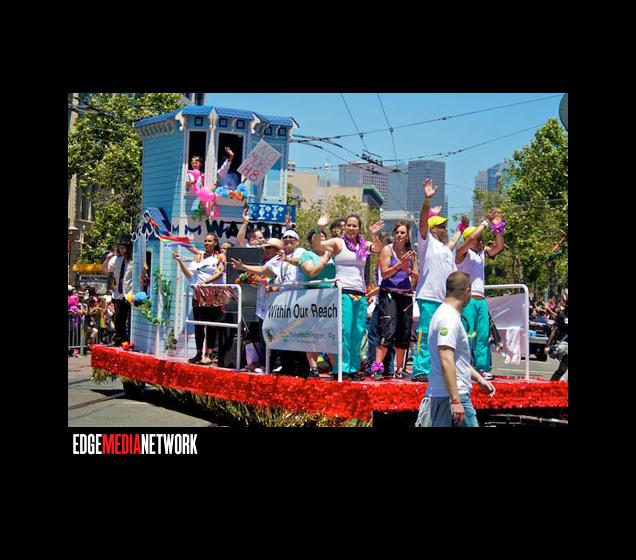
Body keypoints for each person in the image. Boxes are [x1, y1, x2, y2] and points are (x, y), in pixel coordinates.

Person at [415, 271, 496, 427]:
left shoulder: (443, 314)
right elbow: (446, 359)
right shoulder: (449, 319)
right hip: (451, 395)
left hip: (443, 393)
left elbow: (458, 359)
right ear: (467, 292)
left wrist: (479, 379)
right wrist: (456, 400)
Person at [320, 214, 384, 380]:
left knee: (358, 332)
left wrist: (374, 235)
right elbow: (319, 244)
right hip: (343, 291)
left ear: (359, 228)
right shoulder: (338, 242)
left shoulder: (363, 244)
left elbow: (378, 248)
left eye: (355, 226)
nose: (351, 228)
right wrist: (320, 228)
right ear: (344, 227)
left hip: (360, 293)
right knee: (345, 331)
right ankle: (341, 369)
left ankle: (353, 368)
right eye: (348, 225)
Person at [411, 178, 461, 382]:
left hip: (444, 301)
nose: (444, 229)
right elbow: (423, 221)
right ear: (432, 229)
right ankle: (420, 370)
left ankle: (437, 370)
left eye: (445, 226)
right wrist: (427, 200)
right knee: (425, 333)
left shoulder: (447, 250)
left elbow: (453, 274)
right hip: (428, 297)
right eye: (441, 226)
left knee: (442, 336)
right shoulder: (427, 243)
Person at [454, 209, 505, 381]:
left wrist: (498, 227)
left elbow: (499, 246)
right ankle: (464, 367)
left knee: (483, 336)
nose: (481, 241)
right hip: (466, 300)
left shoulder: (481, 254)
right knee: (467, 336)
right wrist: (485, 222)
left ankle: (481, 369)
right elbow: (469, 239)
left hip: (481, 300)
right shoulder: (461, 253)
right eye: (478, 238)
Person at [283, 227, 337, 378]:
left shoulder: (334, 254)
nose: (320, 239)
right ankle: (313, 368)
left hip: (331, 297)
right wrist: (325, 259)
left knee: (331, 333)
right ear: (310, 241)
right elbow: (311, 272)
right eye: (316, 237)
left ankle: (336, 369)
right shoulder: (307, 255)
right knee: (312, 333)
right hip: (312, 296)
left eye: (323, 236)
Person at [371, 222, 419, 381]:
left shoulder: (411, 253)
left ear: (407, 236)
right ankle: (377, 367)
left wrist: (408, 270)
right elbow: (384, 274)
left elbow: (416, 276)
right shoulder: (387, 249)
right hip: (389, 294)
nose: (399, 235)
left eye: (402, 232)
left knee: (404, 333)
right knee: (388, 331)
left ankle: (400, 369)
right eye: (397, 232)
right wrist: (399, 265)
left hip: (405, 295)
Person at [174, 233, 225, 364]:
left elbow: (219, 272)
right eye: (205, 241)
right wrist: (180, 261)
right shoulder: (198, 257)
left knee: (211, 326)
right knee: (198, 325)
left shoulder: (219, 256)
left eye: (209, 241)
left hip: (213, 294)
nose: (207, 243)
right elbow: (190, 276)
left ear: (215, 242)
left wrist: (206, 282)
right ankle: (198, 354)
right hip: (198, 294)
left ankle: (209, 355)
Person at [102, 234, 134, 347]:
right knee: (118, 318)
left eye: (123, 247)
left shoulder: (133, 260)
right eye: (119, 247)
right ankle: (119, 339)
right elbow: (105, 269)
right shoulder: (116, 259)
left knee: (130, 319)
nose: (121, 249)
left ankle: (129, 340)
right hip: (118, 294)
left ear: (128, 247)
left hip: (130, 293)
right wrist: (107, 259)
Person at [547, 302, 568, 380]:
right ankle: (552, 384)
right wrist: (548, 345)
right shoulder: (562, 317)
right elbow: (554, 331)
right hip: (564, 345)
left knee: (563, 369)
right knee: (562, 369)